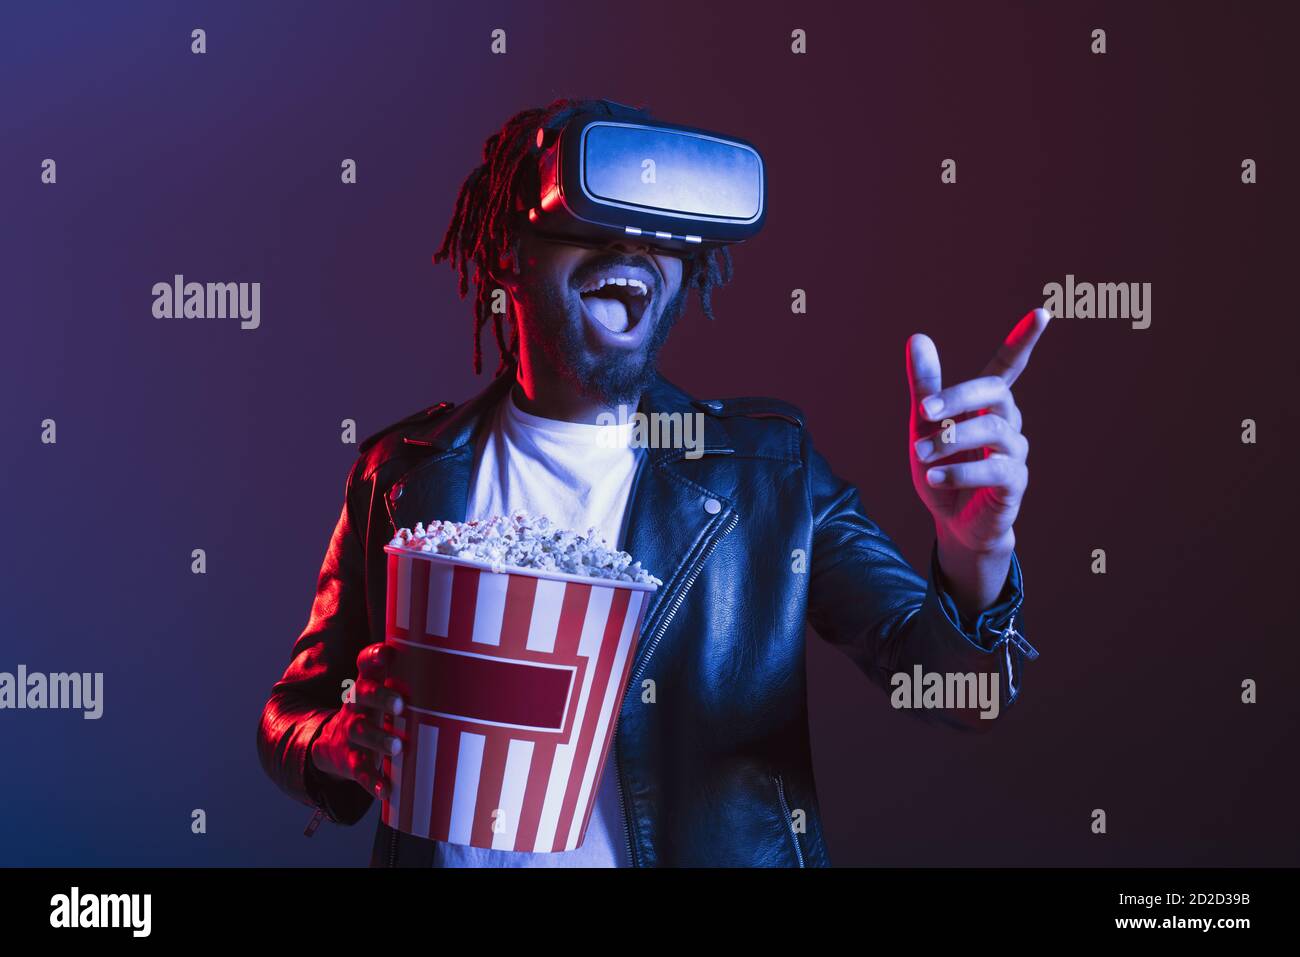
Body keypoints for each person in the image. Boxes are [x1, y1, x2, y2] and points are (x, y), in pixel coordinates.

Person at [257, 97, 1049, 867]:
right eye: (597, 213)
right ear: (509, 249)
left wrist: (973, 548)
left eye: (663, 223)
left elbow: (955, 692)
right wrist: (338, 741)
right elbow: (288, 714)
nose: (631, 244)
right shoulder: (402, 475)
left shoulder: (768, 471)